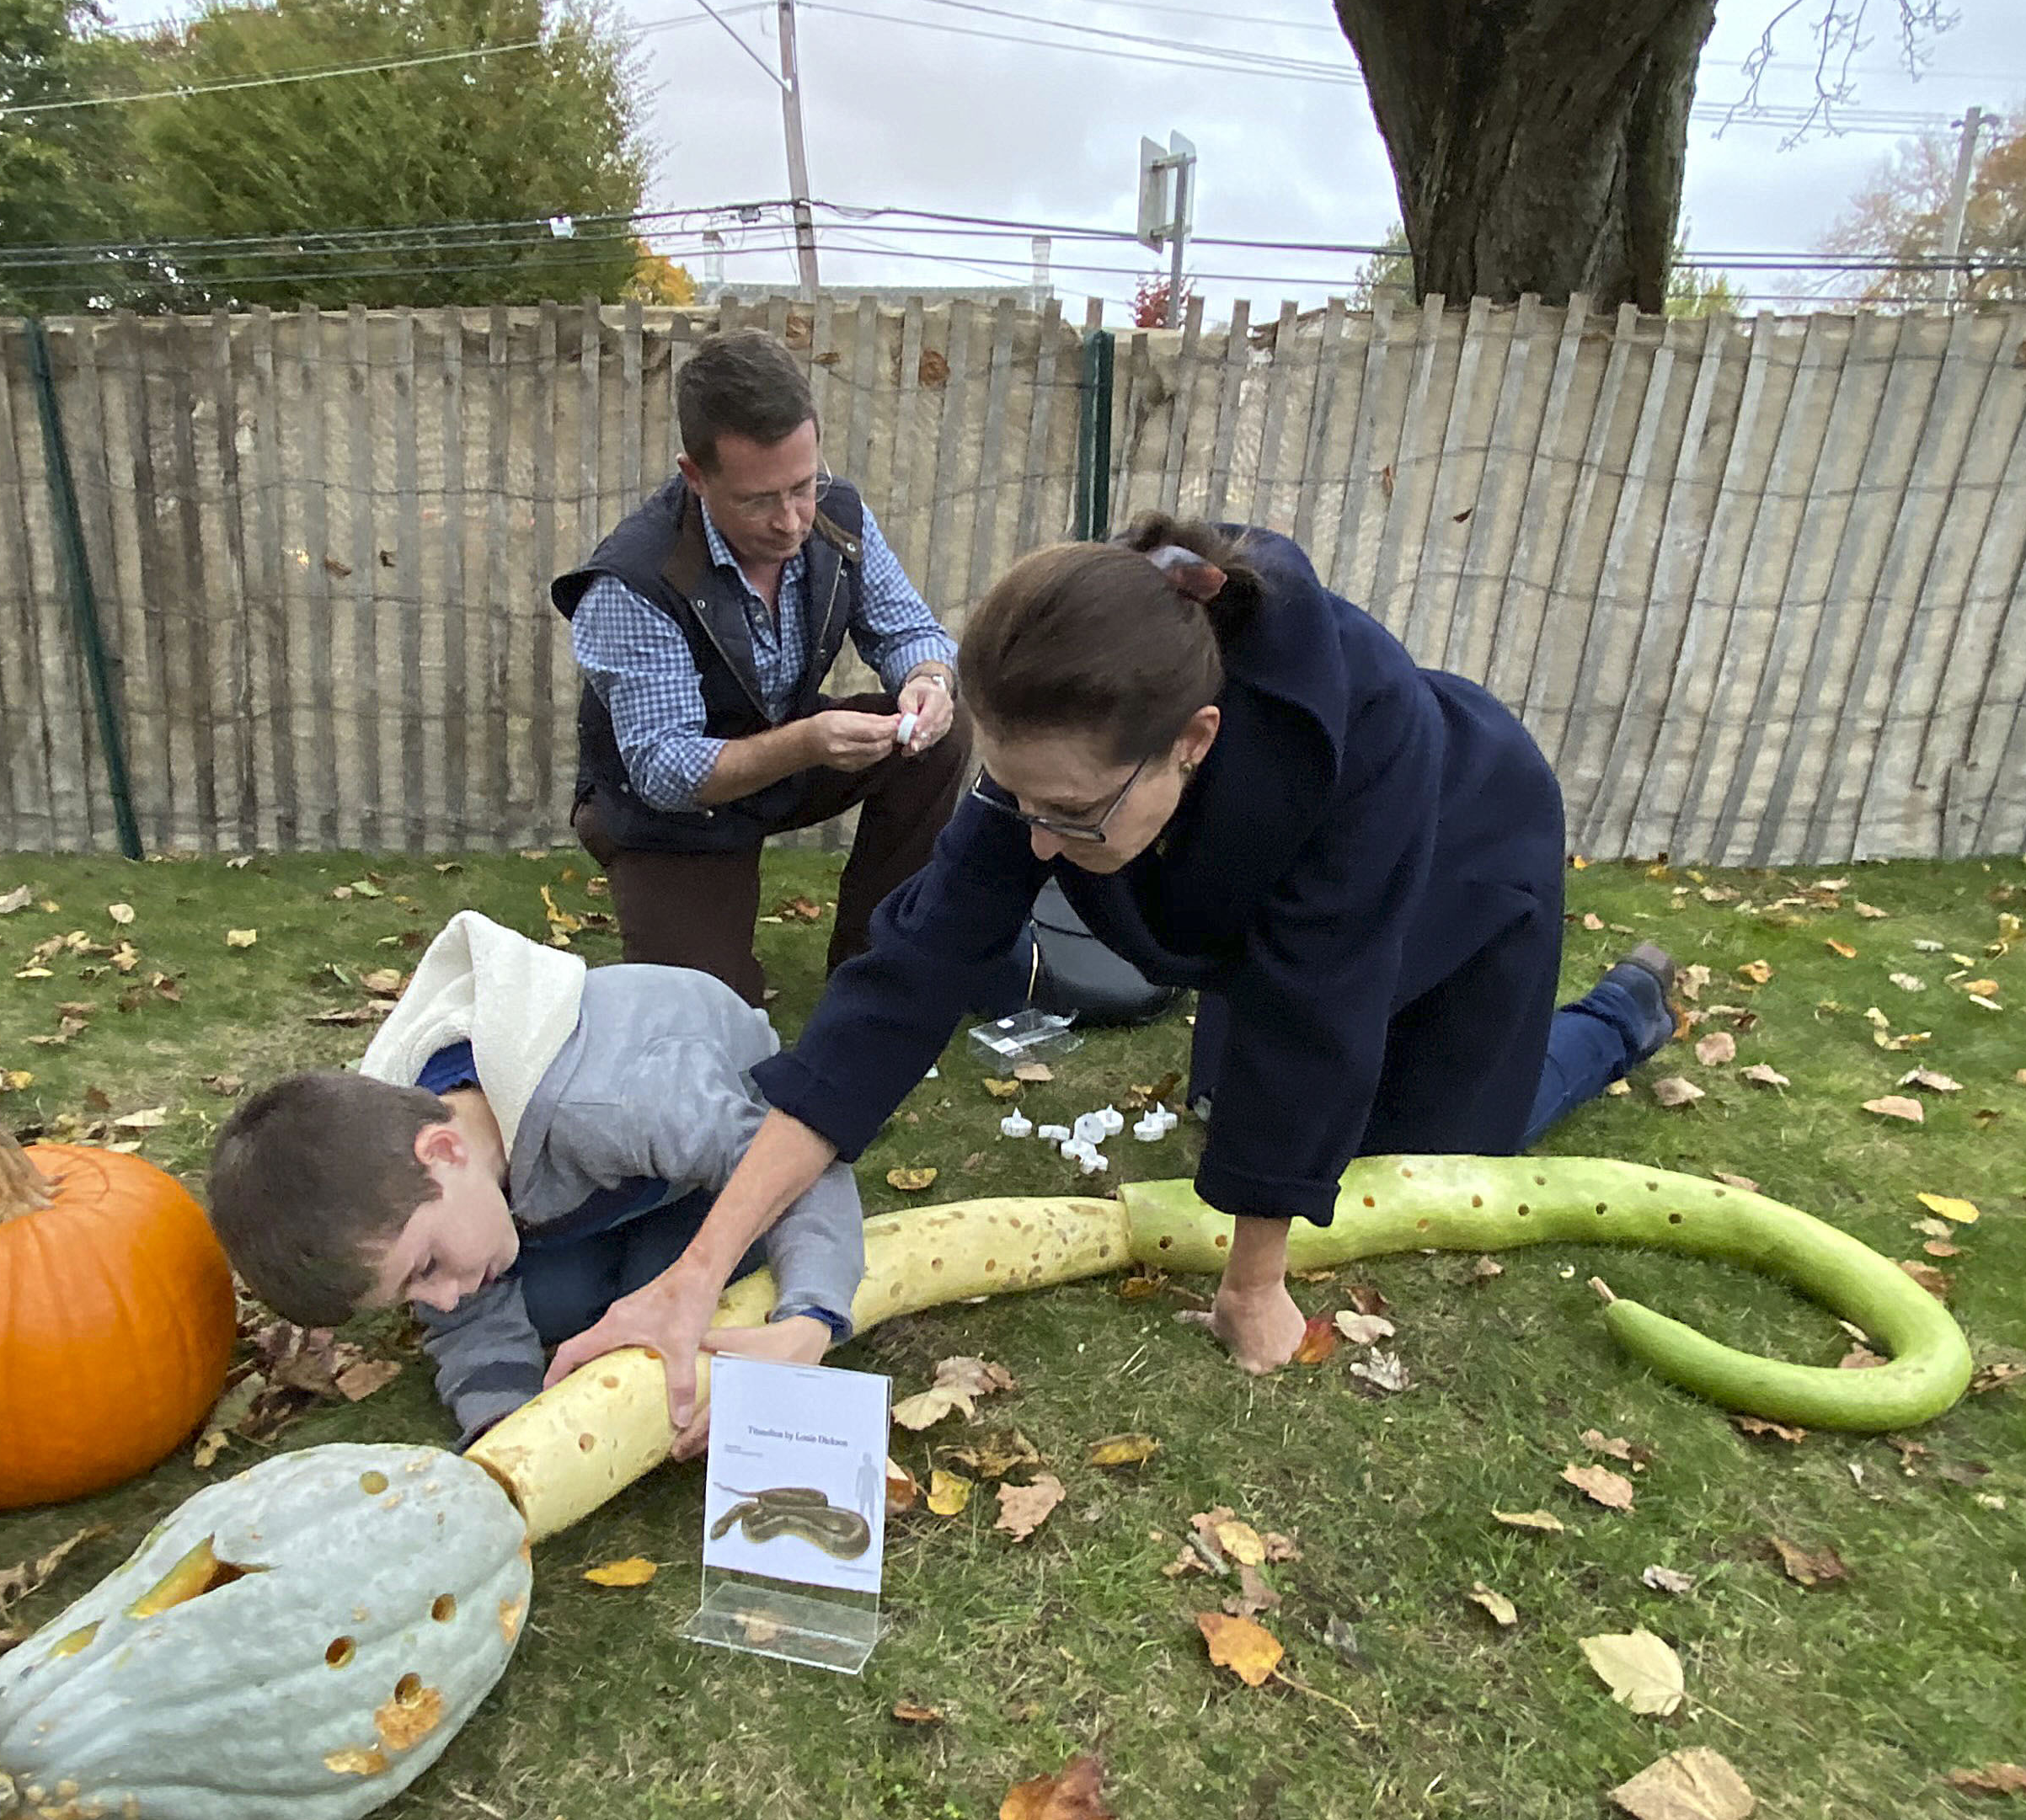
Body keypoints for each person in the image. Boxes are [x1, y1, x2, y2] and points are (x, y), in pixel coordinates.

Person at [548, 515, 1680, 1417]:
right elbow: (901, 987)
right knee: (1234, 1115)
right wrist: (696, 1272)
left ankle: (1619, 1017)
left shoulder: (1361, 729)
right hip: (1255, 875)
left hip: (1462, 852)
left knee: (1428, 1155)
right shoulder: (1073, 726)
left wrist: (1253, 1287)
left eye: (1070, 816)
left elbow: (1315, 1004)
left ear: (1191, 741)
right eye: (1018, 802)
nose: (1036, 845)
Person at [205, 909, 858, 1444]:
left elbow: (796, 1157)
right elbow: (466, 1319)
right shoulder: (415, 1176)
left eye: (425, 1266)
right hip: (603, 1185)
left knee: (664, 1296)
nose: (439, 1299)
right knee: (551, 1306)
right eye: (410, 1295)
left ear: (444, 1151)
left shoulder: (618, 1104)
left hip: (719, 1154)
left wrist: (811, 1316)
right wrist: (508, 1432)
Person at [553, 328, 971, 1006]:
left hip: (784, 764)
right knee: (709, 1018)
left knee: (942, 733)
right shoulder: (633, 579)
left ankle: (879, 966)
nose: (791, 521)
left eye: (802, 486)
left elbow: (911, 630)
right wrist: (808, 742)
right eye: (758, 500)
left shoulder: (838, 516)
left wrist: (929, 679)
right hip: (671, 818)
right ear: (695, 475)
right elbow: (664, 772)